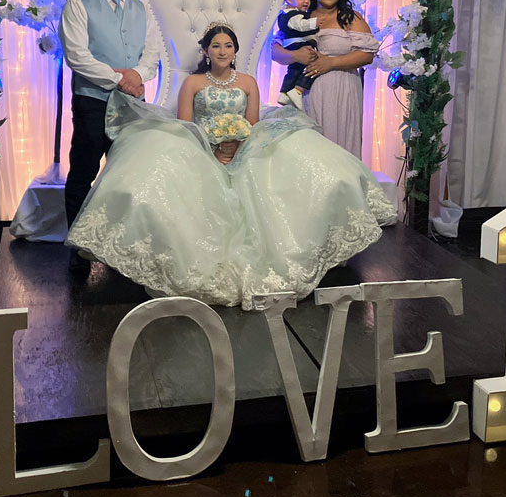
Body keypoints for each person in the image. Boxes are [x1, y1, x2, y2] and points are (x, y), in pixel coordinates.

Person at [65, 22, 396, 309]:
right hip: (201, 145)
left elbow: (251, 124)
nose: (222, 51)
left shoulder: (248, 82)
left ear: (235, 51)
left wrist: (235, 144)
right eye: (216, 46)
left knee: (305, 162)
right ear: (207, 51)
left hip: (243, 145)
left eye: (228, 45)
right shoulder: (193, 84)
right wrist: (212, 147)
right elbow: (185, 125)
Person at [59, 0, 161, 272]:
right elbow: (77, 56)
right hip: (93, 102)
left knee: (128, 177)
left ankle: (124, 253)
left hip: (133, 105)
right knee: (83, 174)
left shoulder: (139, 8)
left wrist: (137, 76)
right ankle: (77, 249)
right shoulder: (79, 3)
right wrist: (119, 79)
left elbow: (152, 53)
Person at [271, 0, 378, 159]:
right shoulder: (300, 17)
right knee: (309, 151)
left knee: (340, 150)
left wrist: (331, 63)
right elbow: (276, 52)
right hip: (305, 93)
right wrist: (296, 56)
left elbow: (367, 55)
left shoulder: (351, 18)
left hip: (343, 92)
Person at [275, 0, 317, 107]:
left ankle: (284, 92)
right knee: (311, 68)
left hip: (293, 44)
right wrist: (315, 22)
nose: (306, 1)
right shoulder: (294, 15)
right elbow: (300, 25)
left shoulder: (287, 13)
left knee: (293, 70)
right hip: (299, 44)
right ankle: (298, 90)